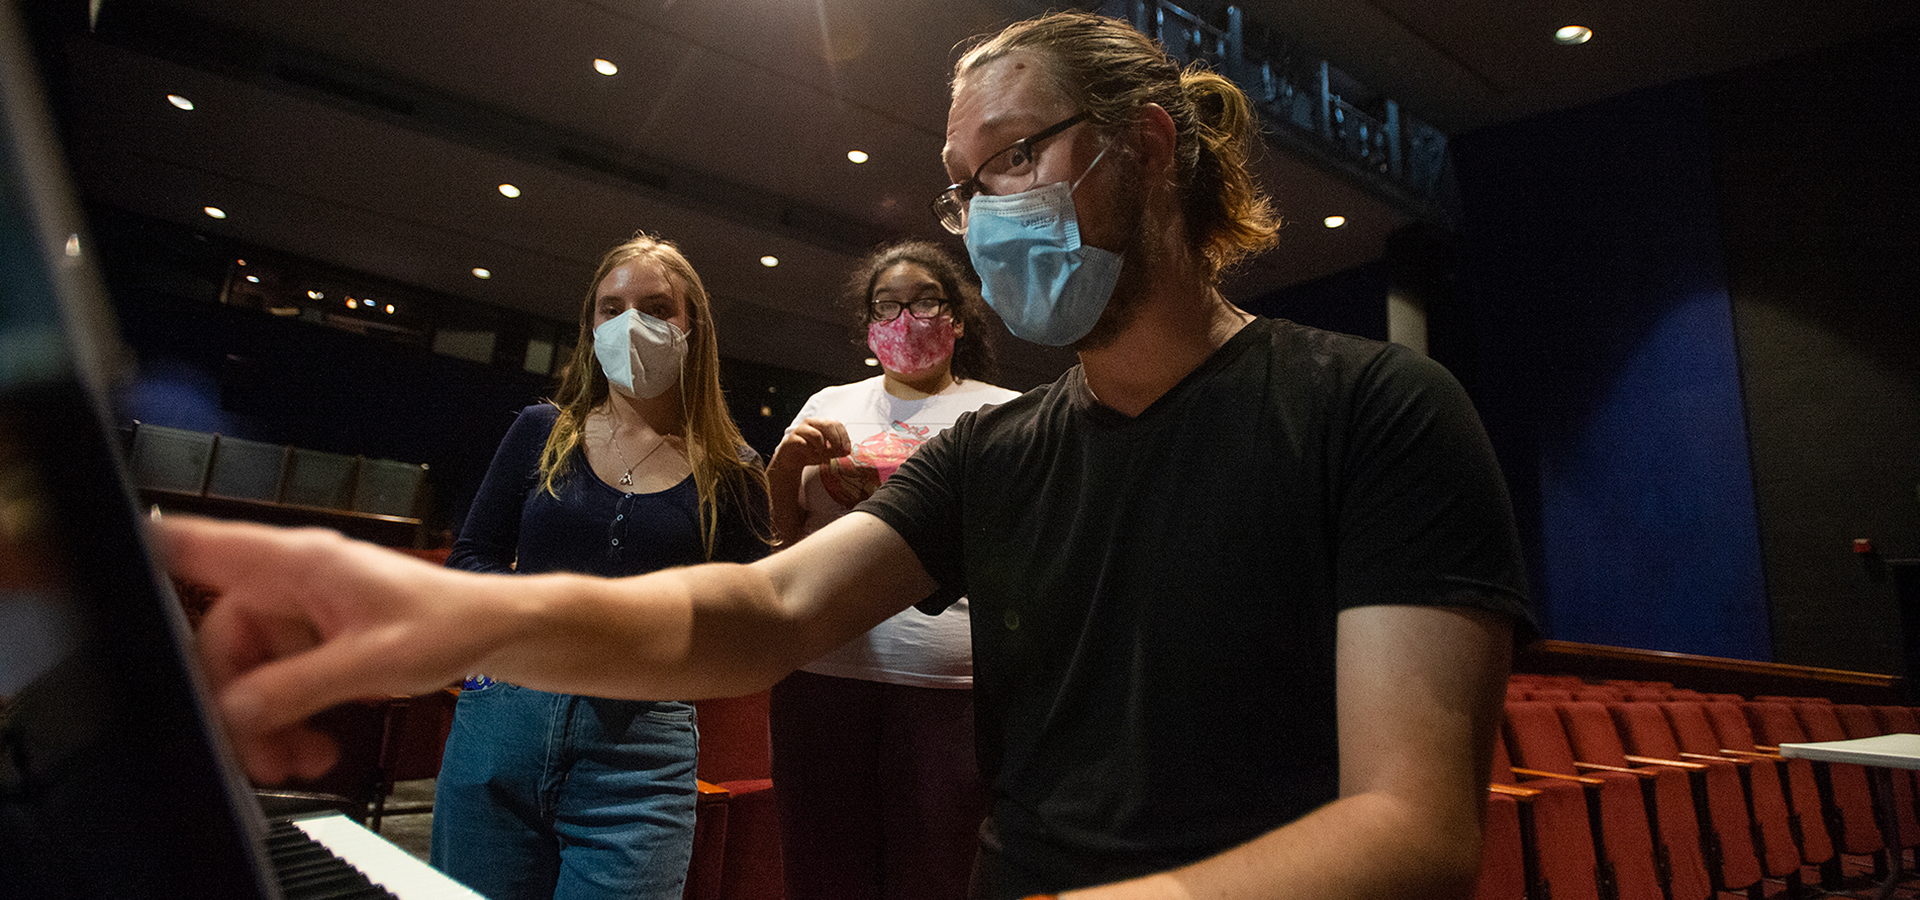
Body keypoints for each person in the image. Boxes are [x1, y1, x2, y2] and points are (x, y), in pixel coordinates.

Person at [163, 11, 1530, 899]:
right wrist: (457, 612)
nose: (984, 213)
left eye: (1015, 158)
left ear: (1149, 148)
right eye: (964, 178)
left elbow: (1413, 830)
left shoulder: (1380, 411)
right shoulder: (1008, 451)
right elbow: (762, 610)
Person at [427, 232, 771, 900]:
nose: (630, 323)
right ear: (590, 327)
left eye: (655, 306)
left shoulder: (735, 469)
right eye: (611, 308)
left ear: (690, 326)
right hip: (503, 722)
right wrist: (546, 617)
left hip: (640, 754)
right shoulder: (540, 429)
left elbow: (751, 628)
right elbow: (472, 557)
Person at [766, 240, 1018, 900]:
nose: (905, 318)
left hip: (950, 689)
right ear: (870, 324)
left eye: (926, 301)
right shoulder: (828, 402)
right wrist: (785, 471)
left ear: (959, 319)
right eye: (888, 306)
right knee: (822, 874)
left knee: (937, 878)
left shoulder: (1007, 413)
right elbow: (783, 549)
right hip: (820, 674)